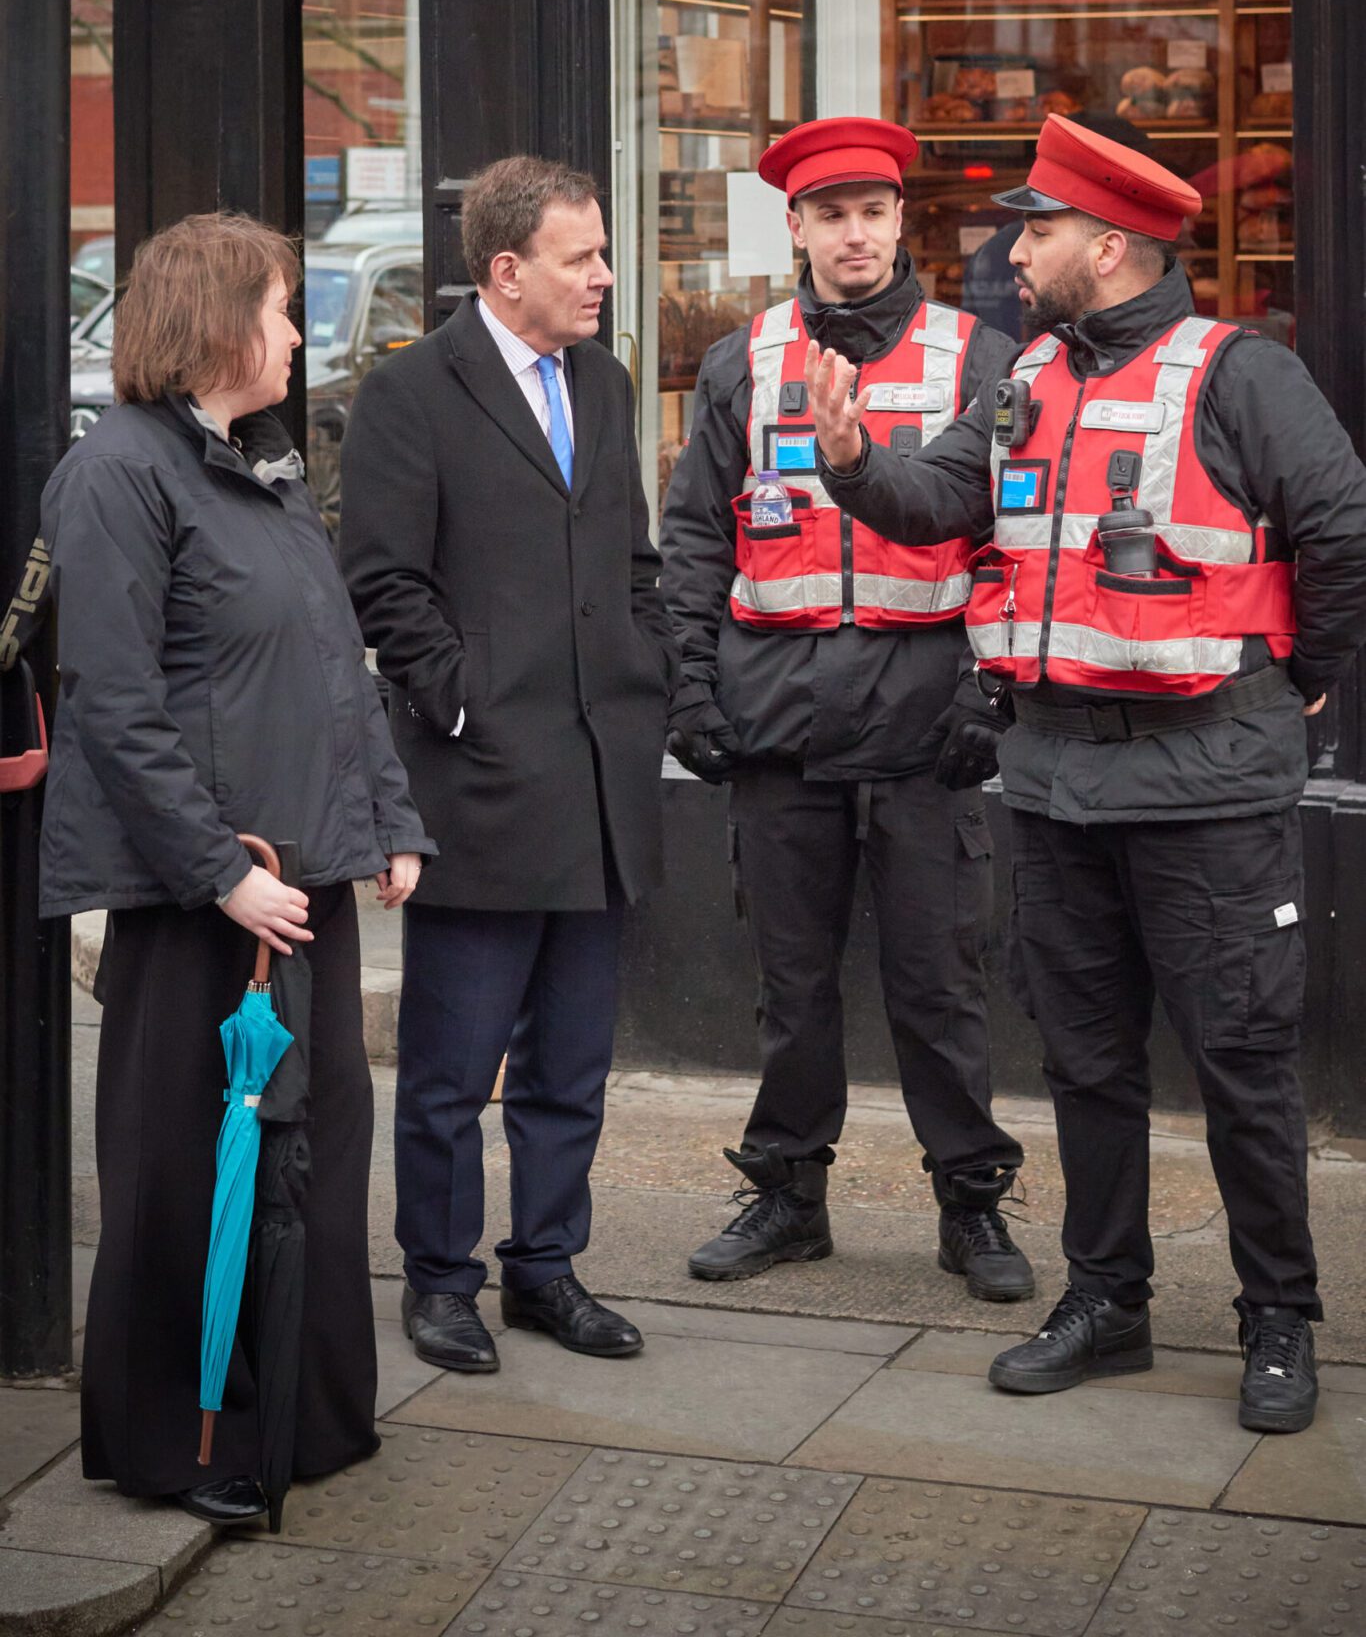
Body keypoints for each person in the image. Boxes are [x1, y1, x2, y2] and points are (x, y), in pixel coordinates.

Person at [805, 112, 1366, 1435]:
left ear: (1105, 246)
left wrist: (1296, 674)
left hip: (1205, 788)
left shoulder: (1238, 372)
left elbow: (1339, 527)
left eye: (1034, 229)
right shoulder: (1023, 378)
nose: (1011, 247)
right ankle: (1105, 1300)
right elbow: (943, 503)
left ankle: (1275, 1318)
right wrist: (850, 465)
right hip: (1054, 784)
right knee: (1085, 1063)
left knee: (1238, 1064)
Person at [39, 212, 431, 1523]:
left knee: (306, 1159)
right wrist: (220, 874)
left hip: (297, 885)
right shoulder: (118, 476)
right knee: (185, 1173)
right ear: (217, 324)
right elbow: (114, 703)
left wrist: (389, 823)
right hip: (202, 903)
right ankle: (182, 1441)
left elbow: (333, 666)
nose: (296, 333)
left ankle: (297, 1422)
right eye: (280, 307)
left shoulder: (259, 465)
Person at [661, 116, 1034, 1300]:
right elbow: (688, 537)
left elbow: (1014, 534)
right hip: (779, 716)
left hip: (925, 716)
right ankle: (786, 1194)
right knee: (791, 978)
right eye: (832, 214)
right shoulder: (742, 359)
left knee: (939, 979)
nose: (855, 234)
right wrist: (689, 682)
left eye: (873, 211)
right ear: (798, 227)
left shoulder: (981, 357)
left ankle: (971, 1206)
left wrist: (990, 684)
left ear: (900, 221)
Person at [340, 155, 674, 1374]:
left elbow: (632, 560)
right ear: (505, 269)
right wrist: (464, 699)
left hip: (600, 782)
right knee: (447, 1069)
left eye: (599, 252)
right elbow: (382, 578)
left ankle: (547, 1269)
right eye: (581, 256)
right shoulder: (410, 394)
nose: (601, 275)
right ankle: (441, 1280)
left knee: (571, 1063)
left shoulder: (606, 379)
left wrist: (653, 673)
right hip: (477, 785)